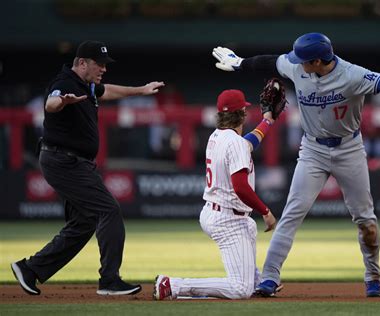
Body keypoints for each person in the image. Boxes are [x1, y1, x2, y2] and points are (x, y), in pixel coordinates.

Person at [212, 32, 380, 298]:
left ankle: (373, 276)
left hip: (349, 149)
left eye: (304, 60)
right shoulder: (298, 67)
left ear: (318, 61)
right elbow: (271, 62)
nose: (297, 63)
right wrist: (239, 63)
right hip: (312, 149)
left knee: (365, 220)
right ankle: (270, 278)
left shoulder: (352, 75)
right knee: (292, 213)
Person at [10, 40, 165, 296]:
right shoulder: (65, 83)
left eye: (105, 64)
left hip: (72, 161)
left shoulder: (87, 85)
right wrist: (61, 102)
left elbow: (108, 91)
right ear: (82, 63)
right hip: (64, 160)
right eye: (99, 64)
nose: (103, 69)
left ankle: (30, 269)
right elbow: (51, 102)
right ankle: (109, 280)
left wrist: (141, 90)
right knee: (109, 210)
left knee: (84, 223)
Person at [153, 88, 277, 300]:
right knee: (239, 290)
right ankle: (173, 285)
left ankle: (256, 281)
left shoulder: (217, 136)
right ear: (243, 114)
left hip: (216, 211)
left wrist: (268, 120)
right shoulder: (235, 142)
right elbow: (240, 186)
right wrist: (265, 211)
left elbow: (248, 143)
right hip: (227, 218)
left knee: (249, 227)